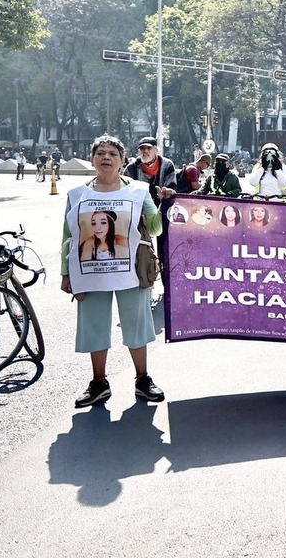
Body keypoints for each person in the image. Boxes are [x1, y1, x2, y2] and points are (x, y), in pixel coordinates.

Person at [63, 134, 165, 408]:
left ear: (122, 161)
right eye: (101, 153)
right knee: (95, 326)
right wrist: (65, 273)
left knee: (137, 325)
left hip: (131, 271)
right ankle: (99, 383)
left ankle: (143, 379)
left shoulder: (139, 191)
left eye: (112, 154)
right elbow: (68, 236)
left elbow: (155, 228)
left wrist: (164, 205)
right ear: (93, 159)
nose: (106, 157)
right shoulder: (77, 195)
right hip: (90, 272)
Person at [123, 137, 178, 207]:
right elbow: (125, 188)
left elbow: (171, 186)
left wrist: (167, 191)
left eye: (149, 148)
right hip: (139, 206)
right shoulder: (132, 167)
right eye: (142, 148)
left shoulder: (167, 165)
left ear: (156, 150)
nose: (145, 151)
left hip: (161, 205)